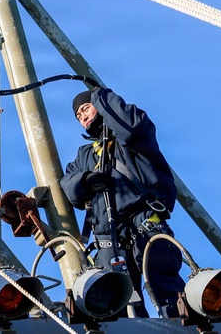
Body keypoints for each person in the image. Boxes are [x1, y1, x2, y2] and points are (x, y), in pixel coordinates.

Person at [59, 87, 185, 318]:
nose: (83, 117)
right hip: (108, 238)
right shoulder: (85, 156)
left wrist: (100, 95)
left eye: (86, 108)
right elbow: (68, 186)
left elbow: (130, 128)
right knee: (115, 306)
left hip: (146, 225)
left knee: (169, 296)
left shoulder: (134, 140)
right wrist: (86, 180)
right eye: (78, 116)